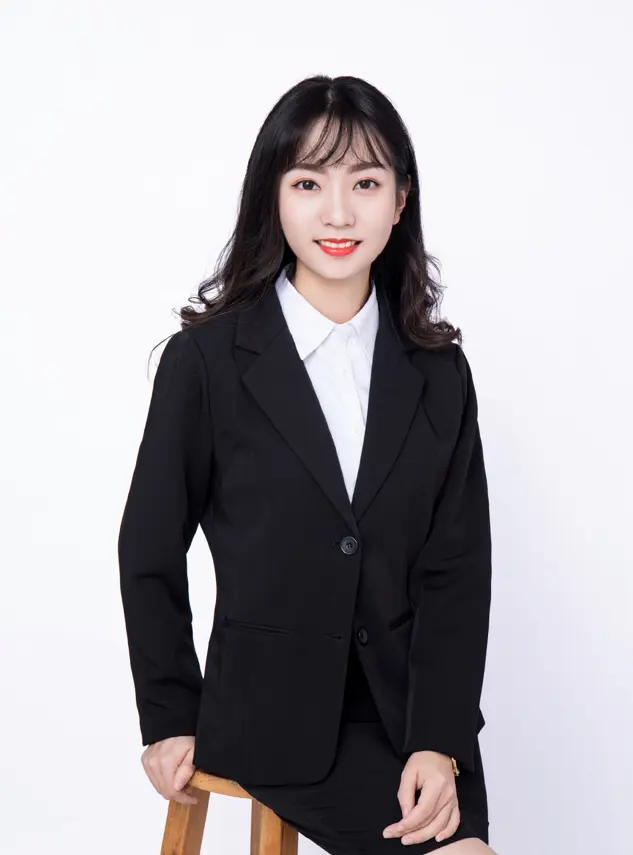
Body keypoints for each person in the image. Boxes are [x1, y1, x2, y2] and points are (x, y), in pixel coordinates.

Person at [118, 74, 497, 855]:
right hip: (268, 715)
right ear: (273, 196)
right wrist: (168, 714)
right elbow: (149, 548)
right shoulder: (207, 363)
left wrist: (441, 740)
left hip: (410, 723)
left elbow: (457, 569)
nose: (338, 213)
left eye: (365, 183)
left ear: (400, 199)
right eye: (308, 183)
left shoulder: (438, 373)